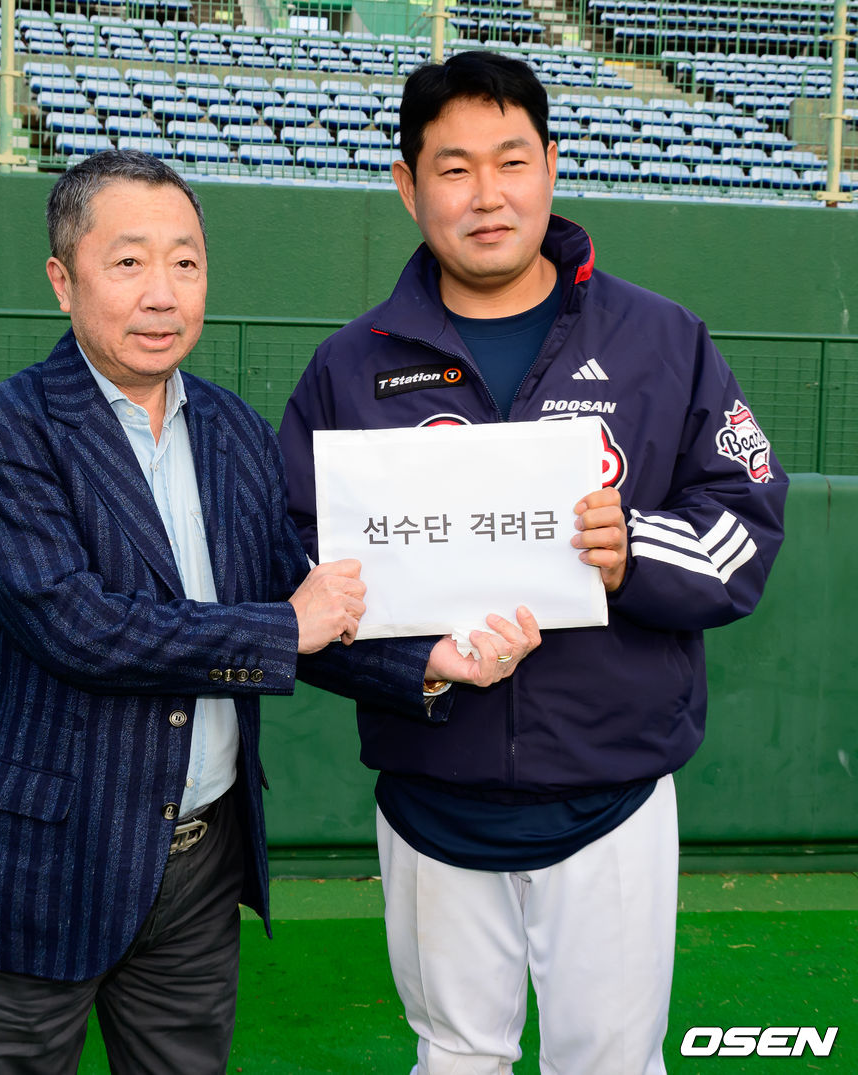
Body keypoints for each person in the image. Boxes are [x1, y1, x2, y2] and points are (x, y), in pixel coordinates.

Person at [0, 149, 539, 1075]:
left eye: (186, 262)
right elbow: (78, 625)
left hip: (201, 861)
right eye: (128, 263)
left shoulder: (235, 429)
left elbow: (304, 603)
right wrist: (288, 626)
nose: (162, 293)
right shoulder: (6, 432)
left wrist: (433, 661)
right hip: (45, 859)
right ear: (62, 279)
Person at [278, 52, 788, 1075]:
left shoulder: (661, 339)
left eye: (510, 161)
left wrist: (630, 548)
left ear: (551, 166)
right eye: (453, 167)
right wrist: (416, 664)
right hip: (433, 789)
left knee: (609, 1060)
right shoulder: (348, 366)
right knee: (456, 1056)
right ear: (406, 184)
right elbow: (293, 582)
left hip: (614, 786)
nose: (484, 194)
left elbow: (745, 515)